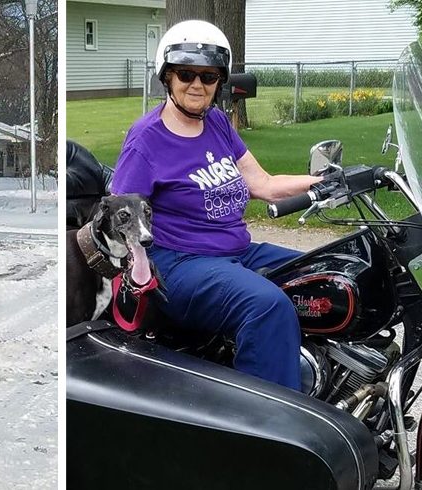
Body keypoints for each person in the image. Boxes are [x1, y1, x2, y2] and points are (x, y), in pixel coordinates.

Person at [109, 20, 323, 391]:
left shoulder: (218, 123)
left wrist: (328, 181)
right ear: (167, 77)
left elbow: (264, 184)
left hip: (237, 253)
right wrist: (137, 272)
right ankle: (271, 430)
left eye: (208, 76)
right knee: (267, 306)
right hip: (176, 264)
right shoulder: (146, 139)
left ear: (219, 82)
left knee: (326, 272)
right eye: (186, 73)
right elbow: (120, 216)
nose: (197, 85)